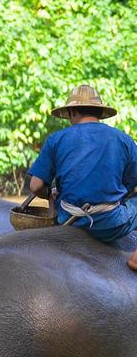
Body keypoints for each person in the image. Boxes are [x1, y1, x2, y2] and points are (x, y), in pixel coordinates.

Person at [28, 84, 137, 272]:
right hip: (110, 224)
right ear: (100, 113)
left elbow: (36, 186)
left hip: (68, 219)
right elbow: (131, 182)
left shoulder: (56, 139)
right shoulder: (123, 139)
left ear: (70, 111)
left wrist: (49, 194)